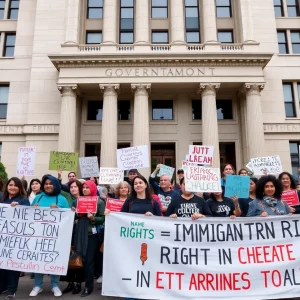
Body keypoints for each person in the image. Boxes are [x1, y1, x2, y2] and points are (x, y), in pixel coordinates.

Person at [30, 175, 70, 297]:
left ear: (55, 185)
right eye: (46, 184)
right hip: (38, 235)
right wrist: (33, 209)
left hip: (56, 236)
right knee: (38, 259)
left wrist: (58, 210)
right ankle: (38, 285)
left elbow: (68, 218)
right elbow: (28, 217)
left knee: (54, 259)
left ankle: (54, 285)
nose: (48, 186)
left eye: (50, 183)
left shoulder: (62, 199)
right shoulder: (38, 197)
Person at [73, 180, 105, 297]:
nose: (85, 189)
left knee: (89, 261)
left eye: (87, 187)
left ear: (92, 188)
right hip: (80, 232)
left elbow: (103, 218)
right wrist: (74, 213)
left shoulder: (100, 202)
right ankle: (78, 284)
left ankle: (88, 287)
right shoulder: (78, 200)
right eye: (84, 187)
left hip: (92, 235)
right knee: (81, 259)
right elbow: (73, 216)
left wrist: (93, 218)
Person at [0, 177, 30, 299]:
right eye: (10, 185)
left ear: (20, 188)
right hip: (2, 238)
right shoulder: (2, 199)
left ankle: (12, 290)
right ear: (7, 186)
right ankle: (3, 286)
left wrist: (19, 206)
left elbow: (29, 215)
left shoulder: (24, 200)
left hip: (16, 240)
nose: (12, 187)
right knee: (2, 264)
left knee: (13, 265)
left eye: (15, 185)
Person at [60, 180, 85, 295]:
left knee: (78, 256)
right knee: (68, 257)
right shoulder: (67, 200)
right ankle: (70, 282)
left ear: (79, 188)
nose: (73, 189)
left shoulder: (86, 200)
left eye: (75, 187)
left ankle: (78, 283)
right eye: (71, 187)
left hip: (79, 232)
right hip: (67, 231)